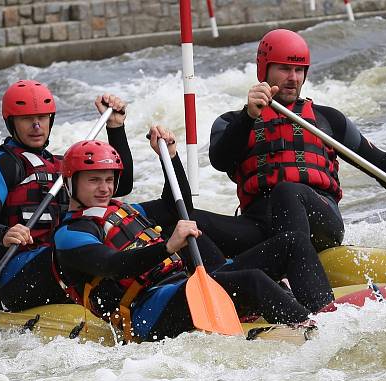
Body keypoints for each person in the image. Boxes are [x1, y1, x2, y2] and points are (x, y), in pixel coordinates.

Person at [54, 128, 333, 342]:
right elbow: (113, 266)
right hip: (148, 312)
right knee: (252, 280)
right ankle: (311, 334)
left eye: (108, 179)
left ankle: (326, 315)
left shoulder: (126, 209)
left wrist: (171, 157)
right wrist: (166, 247)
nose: (104, 188)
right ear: (70, 183)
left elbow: (177, 207)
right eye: (93, 180)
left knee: (292, 243)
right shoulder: (71, 234)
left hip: (188, 286)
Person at [198, 28, 386, 257]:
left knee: (288, 192)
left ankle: (293, 273)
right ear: (264, 70)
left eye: (299, 70)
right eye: (284, 69)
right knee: (180, 216)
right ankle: (213, 278)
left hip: (319, 220)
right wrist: (248, 117)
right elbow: (220, 160)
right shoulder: (232, 122)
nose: (293, 78)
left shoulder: (328, 120)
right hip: (259, 226)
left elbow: (381, 164)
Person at [0, 79, 133, 311]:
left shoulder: (61, 165)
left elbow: (122, 186)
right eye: (27, 119)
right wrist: (5, 233)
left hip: (63, 262)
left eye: (42, 118)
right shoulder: (2, 163)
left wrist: (115, 128)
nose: (37, 126)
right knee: (73, 253)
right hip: (17, 277)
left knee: (125, 233)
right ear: (11, 123)